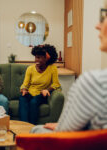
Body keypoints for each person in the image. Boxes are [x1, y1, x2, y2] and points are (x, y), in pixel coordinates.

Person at [31, 4, 107, 133]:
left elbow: (65, 131)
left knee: (36, 130)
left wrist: (60, 126)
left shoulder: (95, 82)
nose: (97, 26)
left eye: (104, 16)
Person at [19, 44, 61, 124]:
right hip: (30, 93)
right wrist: (24, 89)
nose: (36, 60)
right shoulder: (30, 69)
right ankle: (24, 127)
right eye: (35, 57)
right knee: (22, 98)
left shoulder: (52, 68)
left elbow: (56, 84)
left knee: (33, 102)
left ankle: (32, 126)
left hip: (41, 94)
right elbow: (25, 84)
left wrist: (47, 90)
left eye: (39, 57)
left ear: (46, 58)